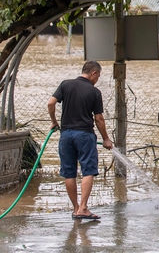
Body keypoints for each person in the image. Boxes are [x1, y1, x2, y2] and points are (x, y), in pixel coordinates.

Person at [48, 60, 113, 220]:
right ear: (94, 73)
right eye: (98, 76)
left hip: (66, 135)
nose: (97, 79)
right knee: (88, 171)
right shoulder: (94, 92)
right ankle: (83, 208)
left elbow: (51, 103)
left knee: (69, 173)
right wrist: (106, 139)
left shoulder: (65, 85)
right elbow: (98, 119)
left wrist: (54, 122)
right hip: (84, 135)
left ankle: (76, 208)